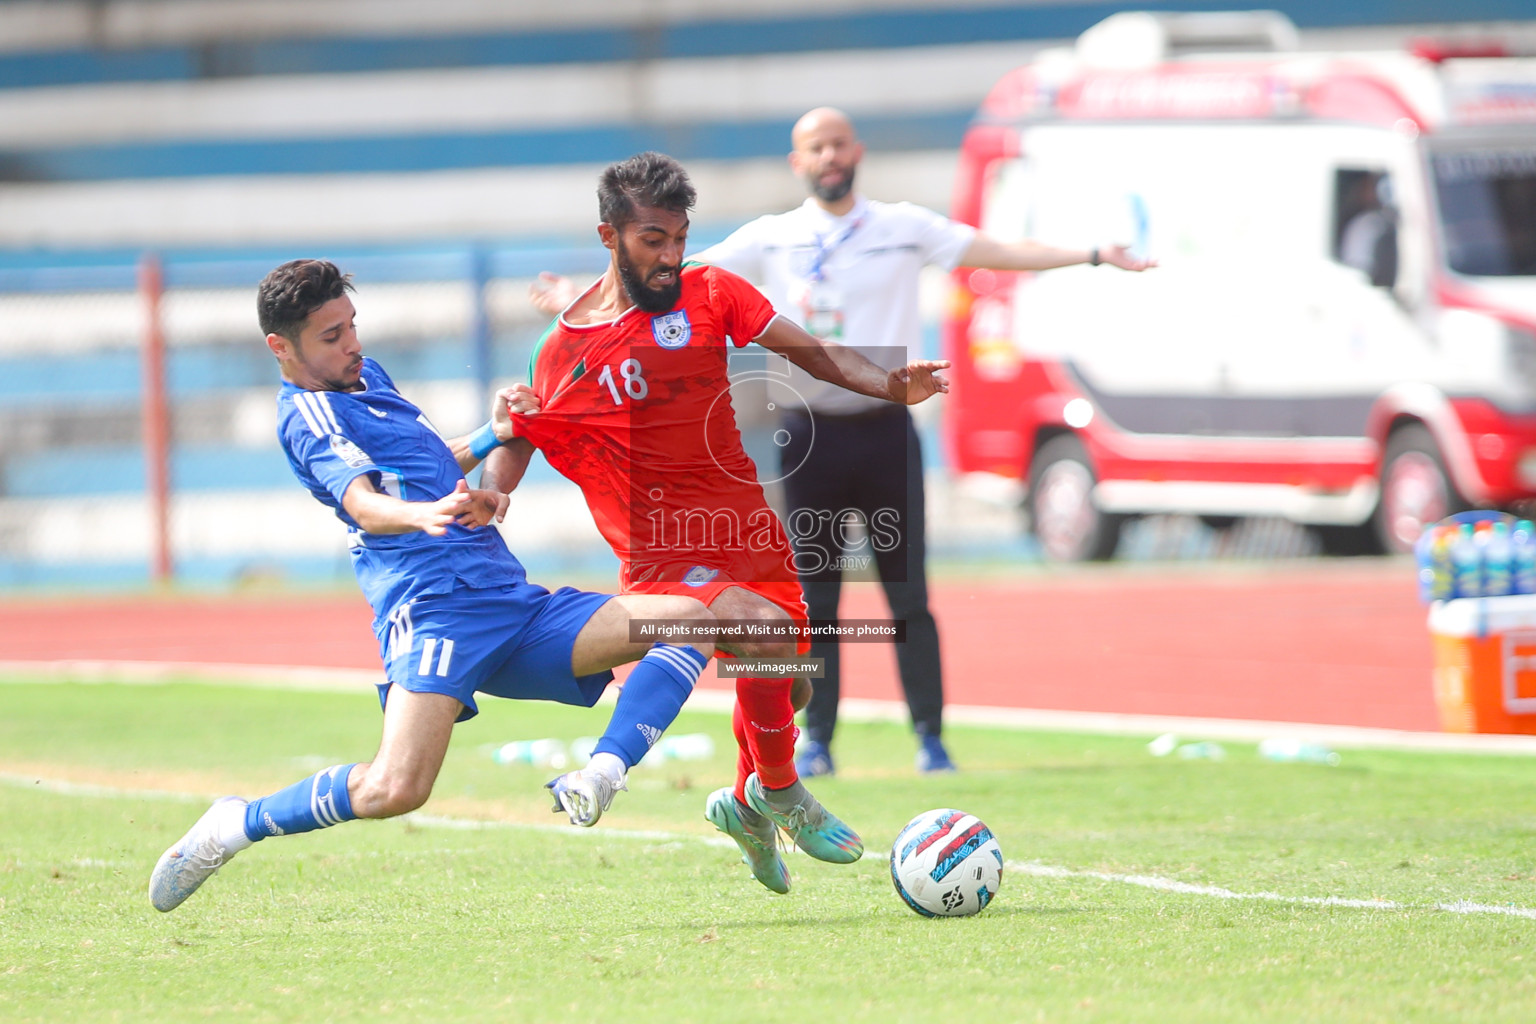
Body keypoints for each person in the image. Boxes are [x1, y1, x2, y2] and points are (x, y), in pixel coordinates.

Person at [531, 108, 1154, 779]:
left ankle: (930, 740)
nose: (829, 156)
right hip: (811, 435)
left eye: (837, 144)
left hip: (887, 427)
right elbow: (660, 274)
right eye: (814, 147)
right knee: (810, 606)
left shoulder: (900, 225)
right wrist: (583, 297)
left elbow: (990, 250)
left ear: (856, 152)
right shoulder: (772, 238)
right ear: (797, 161)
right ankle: (807, 751)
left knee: (901, 597)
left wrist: (1092, 254)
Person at [147, 259, 719, 913]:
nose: (352, 343)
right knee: (395, 789)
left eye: (351, 325)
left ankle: (602, 773)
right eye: (331, 336)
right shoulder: (308, 415)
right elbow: (364, 504)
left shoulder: (367, 378)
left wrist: (494, 434)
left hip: (507, 600)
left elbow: (424, 465)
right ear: (283, 347)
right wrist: (427, 514)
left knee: (689, 618)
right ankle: (236, 824)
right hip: (436, 611)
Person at [483, 151, 950, 894]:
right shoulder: (565, 351)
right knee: (754, 636)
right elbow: (521, 433)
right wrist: (493, 494)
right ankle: (775, 790)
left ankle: (746, 805)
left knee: (788, 682)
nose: (671, 257)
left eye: (679, 238)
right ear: (610, 237)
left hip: (746, 527)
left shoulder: (710, 291)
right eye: (653, 241)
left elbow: (813, 352)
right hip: (661, 543)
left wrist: (888, 386)